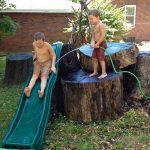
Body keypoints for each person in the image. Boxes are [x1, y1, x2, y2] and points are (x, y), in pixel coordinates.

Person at [24, 32, 56, 98]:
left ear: (44, 41)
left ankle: (42, 91)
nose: (38, 45)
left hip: (47, 63)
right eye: (36, 43)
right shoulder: (34, 44)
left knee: (43, 77)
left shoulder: (47, 45)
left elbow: (53, 55)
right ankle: (29, 89)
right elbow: (36, 52)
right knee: (35, 75)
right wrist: (34, 55)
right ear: (34, 41)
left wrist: (53, 66)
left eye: (40, 43)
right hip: (38, 62)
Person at [88, 9, 107, 79]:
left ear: (98, 17)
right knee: (94, 58)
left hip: (102, 43)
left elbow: (103, 36)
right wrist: (92, 43)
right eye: (89, 19)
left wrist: (98, 43)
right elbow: (93, 37)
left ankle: (104, 73)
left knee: (101, 58)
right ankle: (95, 72)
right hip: (96, 44)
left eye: (92, 19)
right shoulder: (93, 27)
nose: (90, 20)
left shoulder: (101, 25)